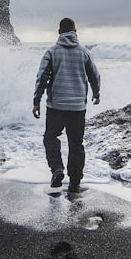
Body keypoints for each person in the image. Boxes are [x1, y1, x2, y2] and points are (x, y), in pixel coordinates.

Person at [33, 17, 101, 193]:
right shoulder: (84, 52)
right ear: (75, 32)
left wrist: (36, 101)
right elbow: (94, 75)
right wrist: (96, 93)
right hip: (77, 107)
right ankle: (75, 183)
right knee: (76, 144)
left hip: (56, 106)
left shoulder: (52, 52)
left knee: (50, 138)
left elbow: (42, 78)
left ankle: (57, 169)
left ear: (59, 32)